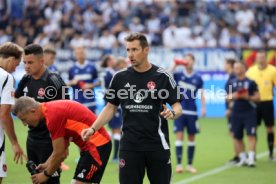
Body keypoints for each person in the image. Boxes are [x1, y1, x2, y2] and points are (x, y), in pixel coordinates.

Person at [82, 33, 183, 184]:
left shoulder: (162, 76)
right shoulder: (119, 77)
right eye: (128, 50)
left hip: (157, 146)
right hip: (129, 146)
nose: (130, 55)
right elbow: (110, 107)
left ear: (146, 50)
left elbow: (177, 105)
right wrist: (93, 129)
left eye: (134, 50)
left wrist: (173, 112)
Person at [12, 96, 111, 184]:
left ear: (33, 111)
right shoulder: (49, 111)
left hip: (96, 147)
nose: (24, 124)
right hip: (90, 148)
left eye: (24, 119)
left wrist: (45, 175)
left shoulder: (52, 116)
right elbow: (63, 150)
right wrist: (47, 164)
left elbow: (59, 153)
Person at [15, 44, 69, 183]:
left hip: (50, 140)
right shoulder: (26, 79)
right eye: (25, 62)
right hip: (32, 138)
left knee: (50, 180)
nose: (27, 66)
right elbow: (17, 98)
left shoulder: (54, 81)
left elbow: (67, 109)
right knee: (36, 178)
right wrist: (22, 116)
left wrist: (64, 143)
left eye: (30, 62)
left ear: (42, 61)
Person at [169, 53, 206, 173]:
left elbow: (201, 93)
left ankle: (190, 165)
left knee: (191, 137)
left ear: (193, 61)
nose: (187, 62)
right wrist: (175, 64)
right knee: (179, 136)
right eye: (185, 60)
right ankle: (179, 165)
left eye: (189, 60)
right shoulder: (178, 74)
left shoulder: (198, 77)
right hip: (179, 111)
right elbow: (166, 76)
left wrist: (203, 107)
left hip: (192, 111)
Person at [0, 42, 26, 183]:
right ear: (10, 59)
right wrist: (15, 143)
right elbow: (3, 113)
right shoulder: (6, 77)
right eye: (16, 65)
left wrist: (19, 112)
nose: (15, 69)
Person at [227, 61, 260, 167]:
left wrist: (247, 97)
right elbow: (227, 97)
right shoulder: (231, 82)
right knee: (237, 136)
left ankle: (251, 158)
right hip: (236, 112)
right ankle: (242, 158)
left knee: (251, 134)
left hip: (249, 112)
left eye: (238, 68)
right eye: (235, 68)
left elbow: (258, 97)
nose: (236, 70)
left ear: (243, 69)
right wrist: (235, 95)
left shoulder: (251, 82)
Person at [246, 50, 276, 161]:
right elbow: (247, 87)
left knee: (269, 128)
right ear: (256, 59)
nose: (261, 59)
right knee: (254, 128)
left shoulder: (273, 71)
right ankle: (253, 153)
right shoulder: (251, 71)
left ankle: (271, 153)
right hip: (254, 103)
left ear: (266, 58)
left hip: (267, 102)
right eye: (259, 57)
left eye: (263, 57)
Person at [100, 54, 122, 162]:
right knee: (117, 129)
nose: (115, 61)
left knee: (115, 130)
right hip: (113, 105)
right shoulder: (110, 73)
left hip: (111, 103)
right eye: (113, 59)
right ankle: (115, 156)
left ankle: (114, 155)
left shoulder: (108, 72)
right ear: (109, 62)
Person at [224, 58, 244, 164]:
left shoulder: (232, 78)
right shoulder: (231, 77)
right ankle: (239, 155)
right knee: (234, 133)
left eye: (225, 64)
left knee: (235, 133)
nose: (224, 66)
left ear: (230, 65)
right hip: (233, 109)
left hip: (233, 110)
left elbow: (231, 95)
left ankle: (239, 156)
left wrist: (230, 108)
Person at [68, 47, 100, 113]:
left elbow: (99, 82)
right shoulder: (72, 68)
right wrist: (72, 82)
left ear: (85, 54)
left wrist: (91, 85)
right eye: (78, 54)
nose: (80, 55)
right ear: (75, 55)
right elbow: (67, 84)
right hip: (77, 100)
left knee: (92, 121)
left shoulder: (92, 66)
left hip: (90, 100)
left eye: (82, 53)